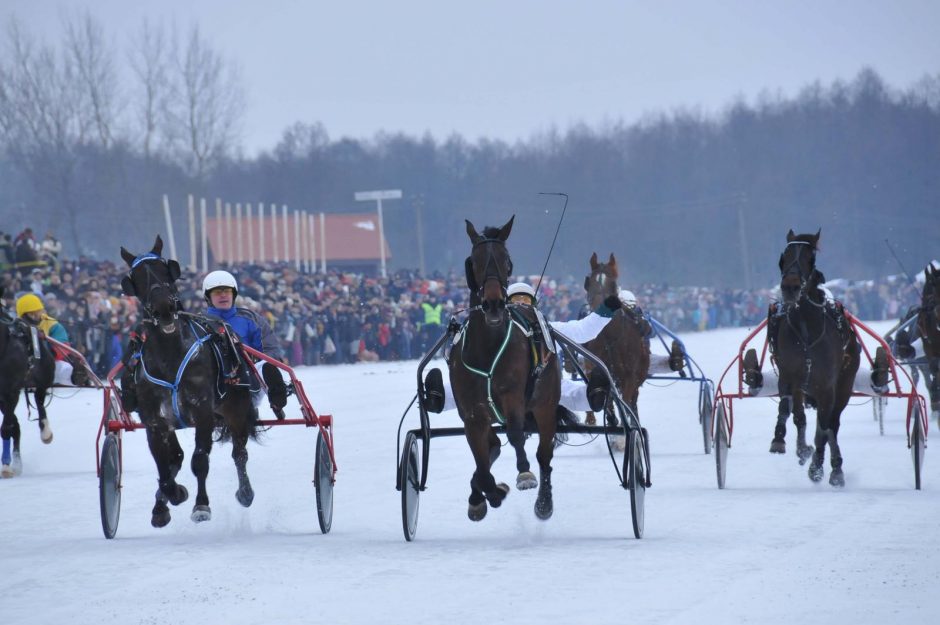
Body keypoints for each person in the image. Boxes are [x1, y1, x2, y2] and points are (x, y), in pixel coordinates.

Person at [422, 281, 623, 414]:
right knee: (468, 390)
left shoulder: (549, 328)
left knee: (569, 393)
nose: (521, 304)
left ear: (534, 305)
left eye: (526, 300)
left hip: (545, 386)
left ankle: (595, 395)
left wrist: (605, 310)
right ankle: (437, 398)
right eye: (515, 300)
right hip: (499, 387)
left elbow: (582, 330)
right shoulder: (496, 334)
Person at [202, 270, 289, 419]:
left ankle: (277, 402)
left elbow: (271, 348)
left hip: (250, 379)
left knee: (267, 365)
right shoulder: (199, 323)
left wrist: (257, 360)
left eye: (227, 291)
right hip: (214, 382)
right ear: (208, 297)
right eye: (217, 292)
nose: (223, 295)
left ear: (234, 294)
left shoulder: (251, 319)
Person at [15, 293, 87, 386]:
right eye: (30, 313)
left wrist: (48, 355)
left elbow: (63, 346)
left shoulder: (53, 325)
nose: (34, 315)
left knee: (66, 368)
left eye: (37, 311)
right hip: (25, 365)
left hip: (50, 362)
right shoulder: (17, 326)